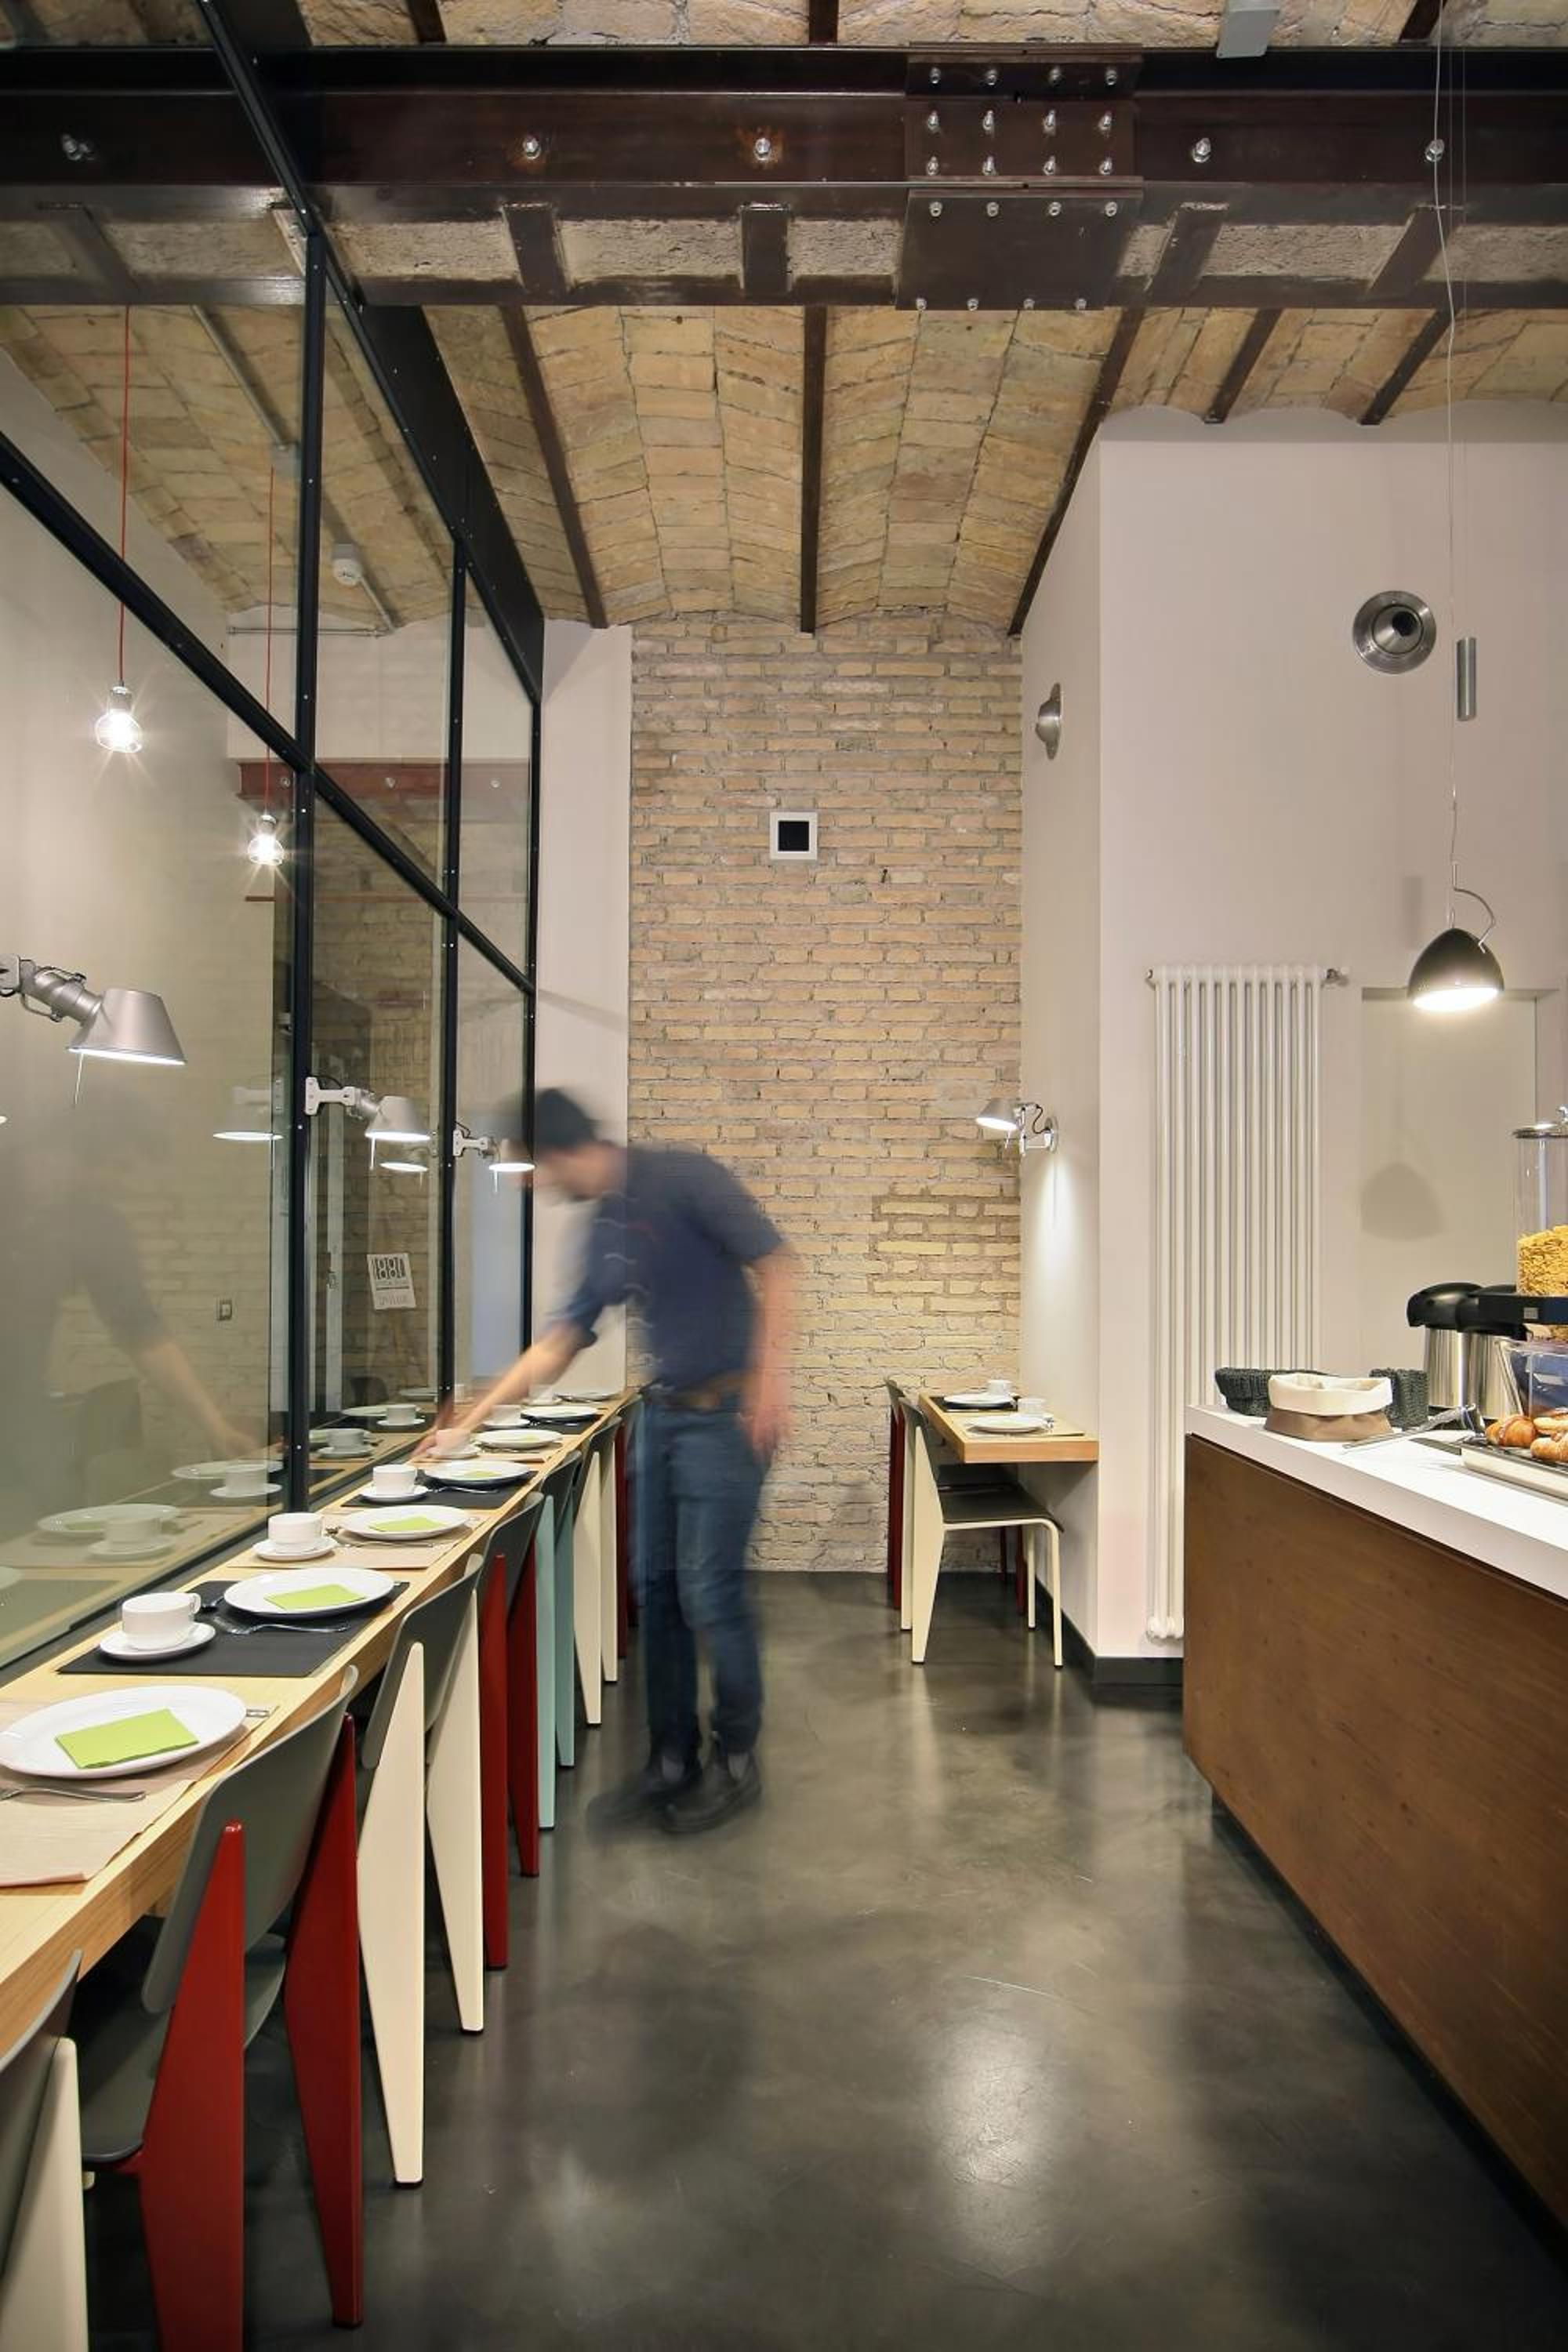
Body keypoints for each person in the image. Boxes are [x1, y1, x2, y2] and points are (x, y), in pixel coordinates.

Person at [426, 1089, 793, 1835]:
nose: (534, 1184)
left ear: (558, 1150)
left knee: (710, 1593)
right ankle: (670, 1759)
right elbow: (561, 1341)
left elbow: (779, 1266)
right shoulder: (602, 1228)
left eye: (532, 1167)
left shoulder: (684, 1177)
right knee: (655, 1592)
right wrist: (474, 1413)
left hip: (725, 1418)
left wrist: (771, 1381)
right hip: (662, 1415)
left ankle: (735, 1757)